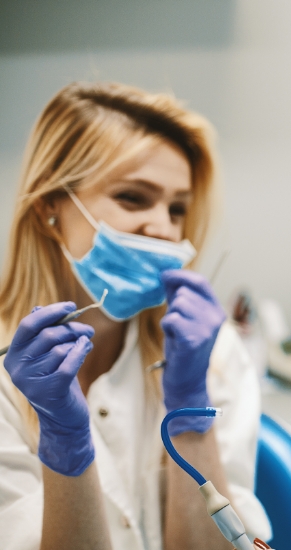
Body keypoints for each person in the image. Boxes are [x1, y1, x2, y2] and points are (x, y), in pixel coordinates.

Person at [0, 82, 270, 550]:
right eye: (132, 197)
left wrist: (189, 410)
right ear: (50, 203)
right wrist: (64, 443)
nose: (163, 228)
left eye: (177, 207)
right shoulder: (11, 372)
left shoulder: (210, 351)